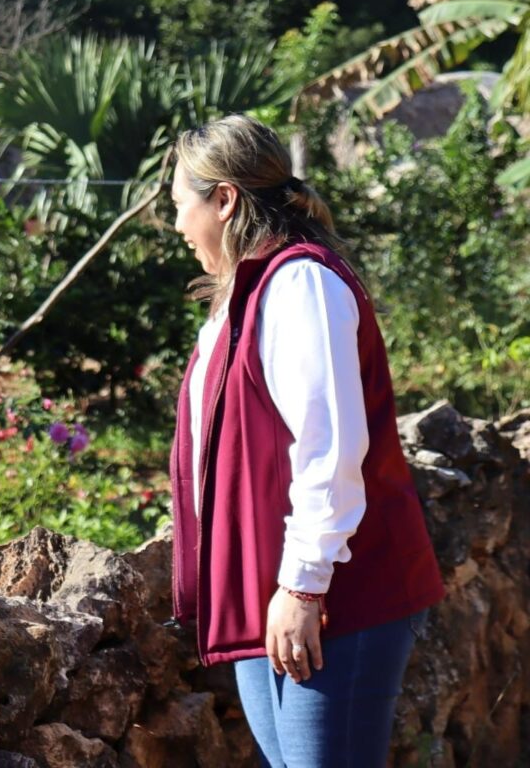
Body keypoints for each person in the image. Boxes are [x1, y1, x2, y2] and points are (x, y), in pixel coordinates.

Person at [167, 115, 444, 767]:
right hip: (272, 594)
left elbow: (330, 449)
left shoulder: (302, 286)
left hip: (333, 595)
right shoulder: (243, 296)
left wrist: (301, 589)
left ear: (224, 199)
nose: (177, 225)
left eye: (181, 205)